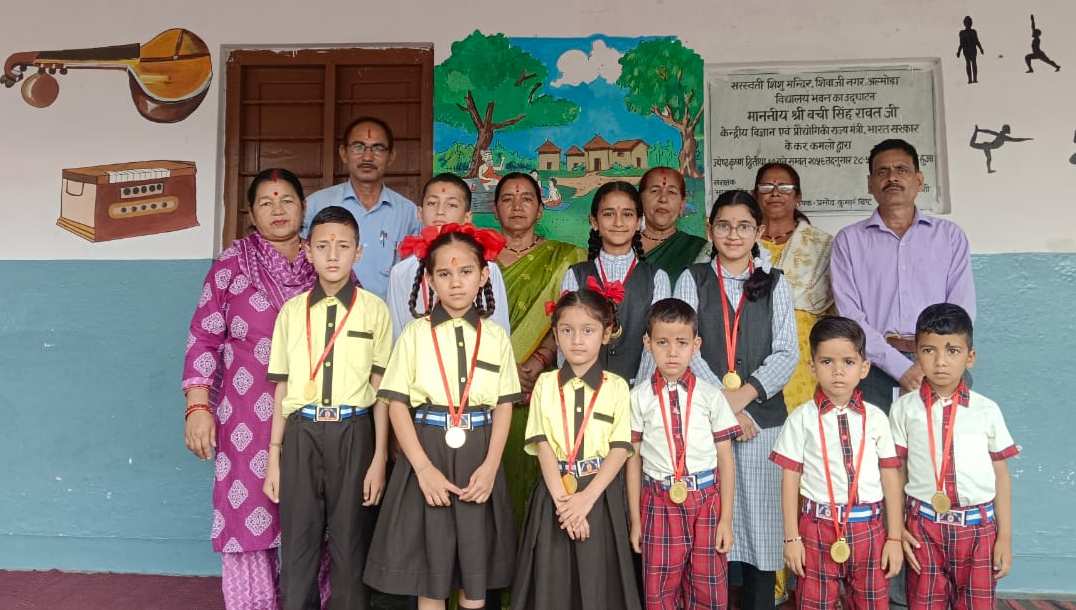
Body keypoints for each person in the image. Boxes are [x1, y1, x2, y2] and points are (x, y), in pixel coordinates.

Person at [182, 168, 330, 610]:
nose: (278, 209)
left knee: (316, 518)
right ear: (251, 212)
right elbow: (204, 337)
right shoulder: (230, 265)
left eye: (287, 199)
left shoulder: (325, 260)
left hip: (314, 415)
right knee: (249, 517)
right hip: (246, 414)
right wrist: (198, 407)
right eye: (266, 201)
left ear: (303, 207)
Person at [364, 224, 520, 610]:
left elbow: (503, 405)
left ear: (483, 275)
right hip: (429, 451)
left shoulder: (495, 337)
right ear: (429, 280)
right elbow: (396, 403)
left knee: (475, 571)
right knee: (430, 574)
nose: (456, 283)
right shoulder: (415, 335)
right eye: (444, 274)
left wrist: (491, 466)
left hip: (480, 454)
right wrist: (422, 469)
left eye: (466, 272)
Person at [263, 205, 392, 610]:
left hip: (355, 434)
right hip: (302, 434)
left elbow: (382, 392)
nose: (332, 255)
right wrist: (274, 458)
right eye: (322, 246)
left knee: (350, 545)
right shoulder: (291, 311)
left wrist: (379, 458)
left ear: (359, 251)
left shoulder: (375, 310)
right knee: (298, 544)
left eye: (343, 246)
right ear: (307, 251)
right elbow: (282, 387)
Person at [675, 190, 798, 610]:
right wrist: (724, 407)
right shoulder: (691, 279)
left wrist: (743, 398)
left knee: (762, 529)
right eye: (724, 226)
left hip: (764, 422)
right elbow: (683, 347)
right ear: (710, 230)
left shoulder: (776, 283)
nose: (733, 234)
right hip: (708, 424)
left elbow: (787, 353)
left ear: (758, 231)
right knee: (716, 527)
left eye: (744, 226)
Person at [510, 288, 640, 610]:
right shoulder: (545, 384)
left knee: (598, 583)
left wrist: (584, 501)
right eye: (567, 331)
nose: (577, 340)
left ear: (606, 334)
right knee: (552, 583)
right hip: (555, 496)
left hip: (599, 495)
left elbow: (620, 450)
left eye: (588, 330)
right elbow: (542, 445)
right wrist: (566, 505)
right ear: (555, 334)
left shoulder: (618, 387)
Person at [830, 139, 975, 413]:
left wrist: (928, 361)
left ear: (919, 180)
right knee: (877, 453)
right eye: (882, 172)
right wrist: (902, 367)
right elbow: (850, 316)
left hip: (941, 366)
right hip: (873, 367)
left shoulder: (949, 237)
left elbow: (960, 310)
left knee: (942, 452)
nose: (892, 177)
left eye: (902, 170)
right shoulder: (849, 241)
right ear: (870, 183)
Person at [770, 316, 904, 609]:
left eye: (848, 362)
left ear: (864, 367)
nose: (838, 371)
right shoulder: (801, 419)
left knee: (871, 603)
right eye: (827, 362)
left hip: (869, 528)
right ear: (812, 367)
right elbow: (789, 480)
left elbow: (891, 478)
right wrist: (791, 538)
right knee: (813, 602)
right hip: (816, 526)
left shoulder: (877, 418)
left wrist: (894, 537)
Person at [890, 304, 1017, 610]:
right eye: (929, 350)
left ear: (969, 357)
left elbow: (1001, 475)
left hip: (978, 530)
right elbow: (896, 472)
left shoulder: (987, 411)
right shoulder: (904, 409)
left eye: (952, 350)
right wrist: (896, 530)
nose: (940, 361)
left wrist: (1005, 538)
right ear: (916, 354)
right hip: (924, 527)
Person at [627, 298, 740, 609]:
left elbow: (726, 460)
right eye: (662, 342)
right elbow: (632, 462)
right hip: (658, 501)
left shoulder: (711, 396)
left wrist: (726, 519)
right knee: (660, 587)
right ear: (647, 343)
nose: (672, 352)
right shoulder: (637, 398)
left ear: (696, 345)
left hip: (706, 501)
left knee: (708, 588)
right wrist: (636, 521)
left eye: (681, 342)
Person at [492, 172, 586, 524]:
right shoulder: (476, 261)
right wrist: (501, 374)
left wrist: (538, 360)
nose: (517, 206)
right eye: (508, 199)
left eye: (527, 198)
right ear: (495, 209)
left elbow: (571, 317)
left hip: (540, 388)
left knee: (537, 479)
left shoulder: (565, 257)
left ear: (541, 210)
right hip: (485, 391)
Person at [562, 180, 671, 387]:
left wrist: (639, 393)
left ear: (640, 221)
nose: (618, 222)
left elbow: (659, 341)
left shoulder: (657, 278)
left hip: (641, 394)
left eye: (628, 214)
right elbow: (565, 343)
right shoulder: (576, 275)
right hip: (586, 392)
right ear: (594, 221)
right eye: (608, 214)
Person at [305, 116, 422, 300]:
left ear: (391, 156)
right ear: (344, 153)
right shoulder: (316, 205)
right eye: (358, 147)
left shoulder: (408, 213)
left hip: (386, 322)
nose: (367, 157)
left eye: (377, 148)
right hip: (328, 320)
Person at [385, 172, 511, 338]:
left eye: (451, 205)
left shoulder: (487, 268)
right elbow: (396, 335)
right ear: (419, 213)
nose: (440, 212)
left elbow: (500, 331)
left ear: (467, 217)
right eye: (432, 203)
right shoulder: (401, 272)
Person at [754, 162, 834, 414]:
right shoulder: (737, 242)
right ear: (756, 195)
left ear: (797, 196)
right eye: (767, 186)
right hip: (750, 350)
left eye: (785, 187)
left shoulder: (823, 246)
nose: (775, 192)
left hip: (805, 356)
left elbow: (837, 313)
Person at [638, 167, 709, 282]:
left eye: (671, 192)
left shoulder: (698, 249)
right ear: (640, 200)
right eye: (655, 190)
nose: (663, 199)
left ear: (682, 204)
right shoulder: (624, 246)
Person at [957, 16, 984, 84]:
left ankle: (974, 79)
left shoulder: (973, 32)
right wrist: (959, 51)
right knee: (968, 64)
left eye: (969, 22)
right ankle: (970, 79)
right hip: (966, 51)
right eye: (967, 23)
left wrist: (981, 48)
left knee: (974, 63)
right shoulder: (962, 33)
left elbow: (977, 41)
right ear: (964, 24)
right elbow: (961, 43)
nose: (968, 24)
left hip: (973, 50)